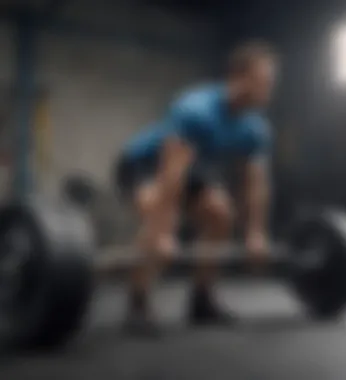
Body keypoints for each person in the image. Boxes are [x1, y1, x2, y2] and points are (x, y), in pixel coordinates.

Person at [114, 40, 277, 335]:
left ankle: (202, 301)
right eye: (264, 80)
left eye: (271, 82)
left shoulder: (256, 128)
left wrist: (256, 233)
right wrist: (163, 230)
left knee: (220, 215)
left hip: (190, 169)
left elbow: (256, 185)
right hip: (144, 163)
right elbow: (170, 176)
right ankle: (138, 304)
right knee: (155, 214)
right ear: (239, 78)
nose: (269, 88)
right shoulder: (196, 109)